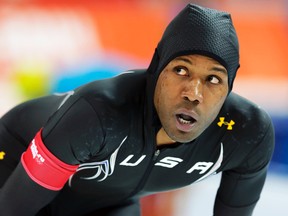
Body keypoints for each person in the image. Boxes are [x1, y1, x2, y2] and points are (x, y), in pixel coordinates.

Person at [0, 3, 274, 216]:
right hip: (13, 164)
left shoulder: (247, 134)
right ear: (156, 69)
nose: (193, 94)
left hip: (107, 202)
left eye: (213, 79)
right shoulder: (99, 113)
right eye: (181, 70)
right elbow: (12, 208)